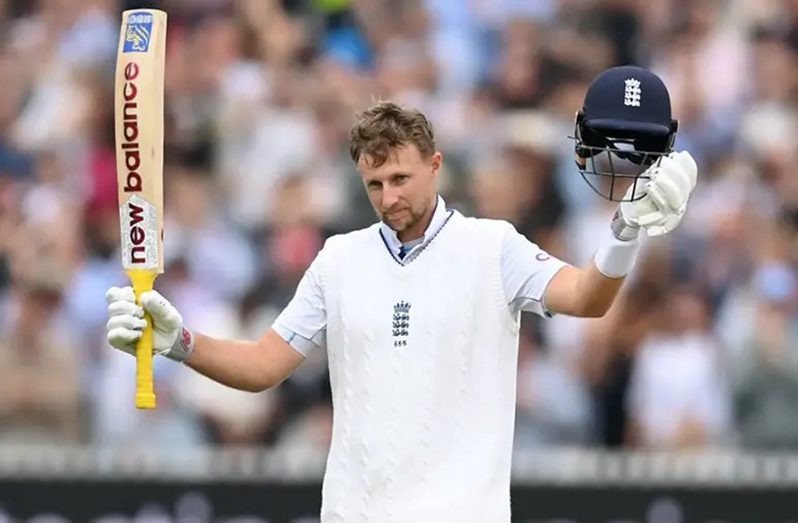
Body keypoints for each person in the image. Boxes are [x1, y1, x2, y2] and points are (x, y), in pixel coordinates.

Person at [105, 66, 697, 522]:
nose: (389, 198)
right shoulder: (339, 258)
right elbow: (263, 366)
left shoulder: (493, 248)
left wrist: (626, 231)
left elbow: (588, 298)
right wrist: (178, 342)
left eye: (400, 180)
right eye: (374, 184)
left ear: (435, 165)